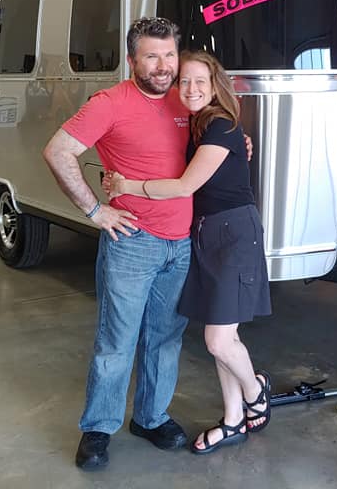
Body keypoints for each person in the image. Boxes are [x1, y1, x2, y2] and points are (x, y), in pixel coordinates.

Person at [42, 17, 193, 470]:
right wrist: (95, 211)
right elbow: (58, 151)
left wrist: (238, 142)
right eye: (152, 56)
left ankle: (151, 418)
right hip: (133, 242)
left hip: (182, 242)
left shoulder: (186, 99)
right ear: (132, 60)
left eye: (170, 55)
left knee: (165, 337)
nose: (163, 66)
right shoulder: (110, 103)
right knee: (117, 341)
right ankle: (99, 428)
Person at [106, 50, 272, 455]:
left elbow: (184, 186)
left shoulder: (220, 124)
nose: (191, 88)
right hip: (206, 234)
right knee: (223, 332)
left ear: (216, 85)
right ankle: (233, 419)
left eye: (201, 81)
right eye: (184, 81)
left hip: (233, 235)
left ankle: (255, 392)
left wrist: (127, 187)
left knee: (218, 340)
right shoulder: (197, 125)